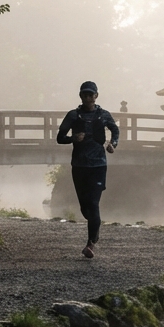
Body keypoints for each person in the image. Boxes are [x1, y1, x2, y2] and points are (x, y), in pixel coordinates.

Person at [56, 82, 119, 258]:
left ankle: (91, 243)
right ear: (80, 96)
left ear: (96, 96)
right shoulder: (73, 115)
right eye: (85, 94)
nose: (88, 98)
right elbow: (59, 138)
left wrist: (113, 144)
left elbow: (115, 130)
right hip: (79, 166)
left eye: (91, 95)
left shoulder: (103, 115)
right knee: (85, 207)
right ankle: (94, 229)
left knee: (93, 203)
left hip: (98, 165)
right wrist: (73, 138)